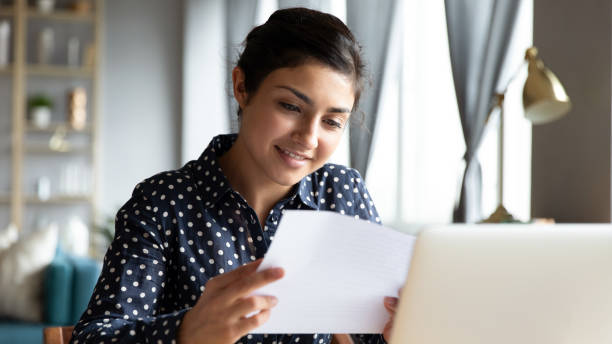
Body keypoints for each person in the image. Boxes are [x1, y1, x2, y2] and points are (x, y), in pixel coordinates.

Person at [70, 7, 398, 344]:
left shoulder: (343, 194)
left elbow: (370, 335)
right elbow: (94, 337)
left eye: (331, 121)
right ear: (242, 87)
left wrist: (401, 330)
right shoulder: (162, 203)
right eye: (291, 106)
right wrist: (185, 333)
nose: (309, 137)